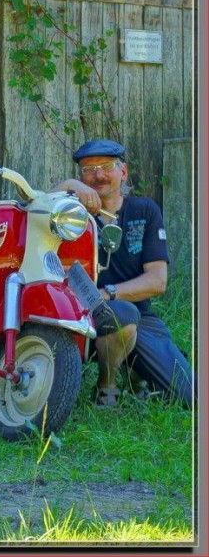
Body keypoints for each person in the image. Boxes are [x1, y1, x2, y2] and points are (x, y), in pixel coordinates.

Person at [53, 139, 193, 408]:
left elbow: (157, 281)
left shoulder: (144, 211)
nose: (98, 175)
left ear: (123, 171)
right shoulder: (69, 213)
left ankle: (133, 368)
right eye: (88, 170)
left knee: (190, 396)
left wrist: (108, 294)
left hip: (138, 316)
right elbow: (33, 207)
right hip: (79, 313)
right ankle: (107, 387)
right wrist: (69, 187)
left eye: (107, 167)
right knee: (123, 316)